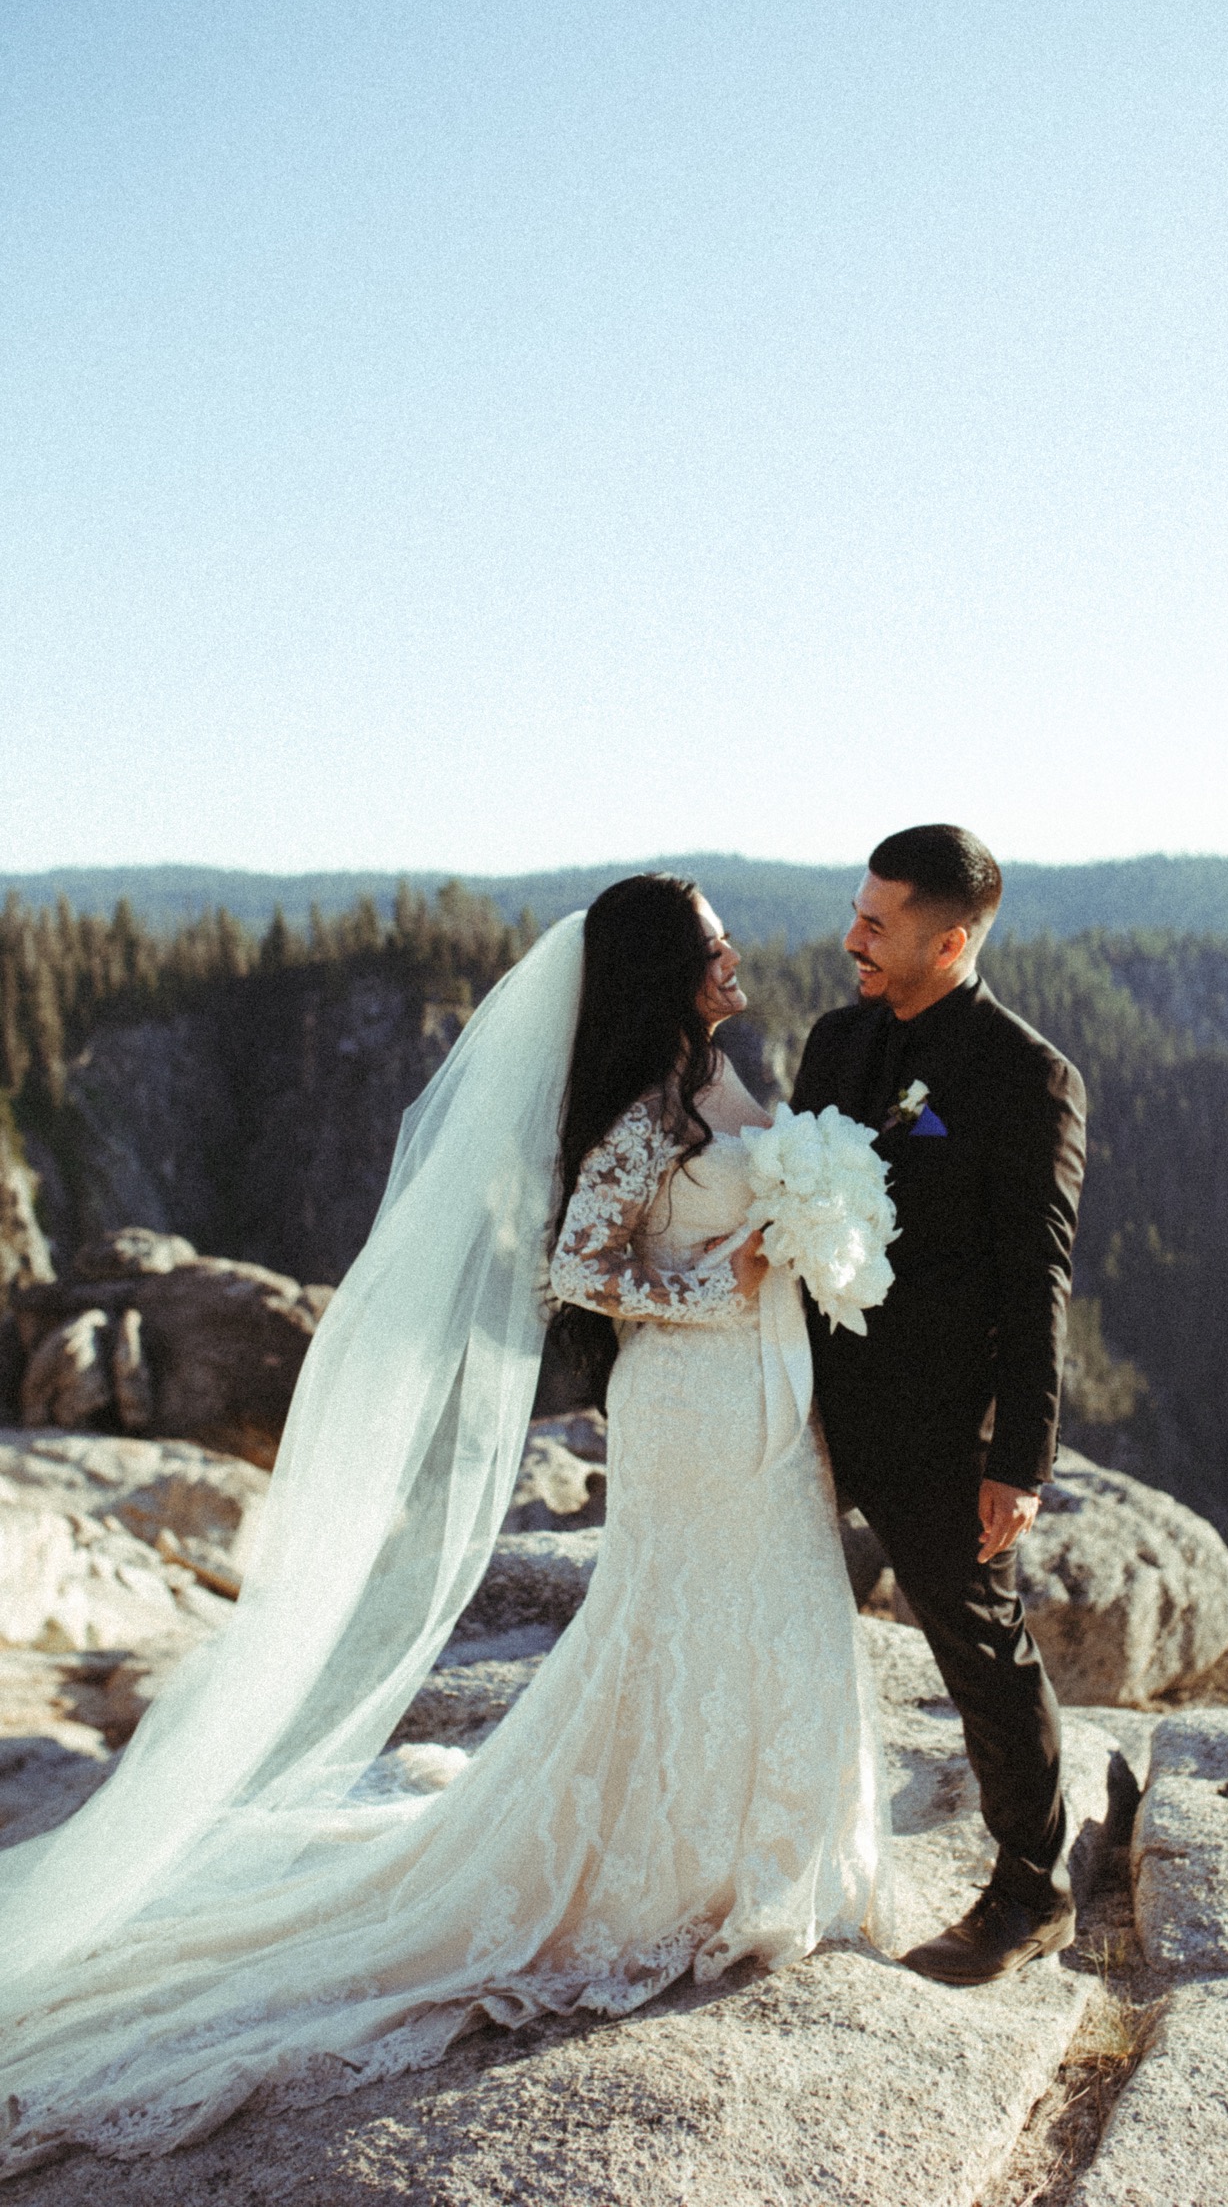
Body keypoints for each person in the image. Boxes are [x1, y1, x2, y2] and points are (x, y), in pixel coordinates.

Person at [0, 874, 887, 2177]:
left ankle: (774, 1847)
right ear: (665, 967)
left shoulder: (713, 1069)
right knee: (688, 1614)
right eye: (711, 942)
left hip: (769, 1400)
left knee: (788, 1597)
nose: (734, 953)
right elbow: (580, 1266)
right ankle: (677, 1867)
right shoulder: (643, 1107)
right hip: (693, 1404)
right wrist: (724, 1275)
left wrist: (819, 1225)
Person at [792, 824, 1087, 1985]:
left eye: (878, 924)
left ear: (951, 939)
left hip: (934, 1425)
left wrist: (1019, 1460)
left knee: (979, 1648)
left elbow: (1038, 1281)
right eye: (856, 912)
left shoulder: (1028, 1076)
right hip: (805, 1407)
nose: (851, 939)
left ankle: (1032, 1888)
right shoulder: (835, 1039)